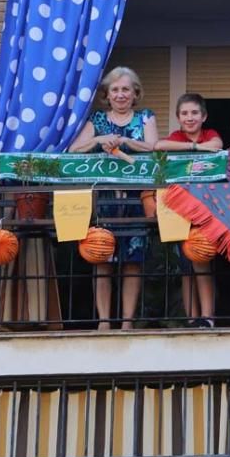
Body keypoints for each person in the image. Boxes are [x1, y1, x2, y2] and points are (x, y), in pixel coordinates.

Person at [69, 67, 158, 330]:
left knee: (133, 260)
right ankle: (105, 321)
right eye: (115, 90)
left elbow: (153, 146)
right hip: (106, 199)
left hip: (136, 197)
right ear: (107, 95)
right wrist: (100, 139)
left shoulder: (145, 117)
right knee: (102, 257)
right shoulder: (97, 119)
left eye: (126, 90)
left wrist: (127, 142)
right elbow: (75, 149)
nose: (120, 95)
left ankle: (127, 322)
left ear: (135, 93)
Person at [155, 93, 223, 328]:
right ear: (178, 117)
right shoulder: (177, 136)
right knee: (185, 266)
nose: (190, 117)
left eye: (194, 113)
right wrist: (194, 146)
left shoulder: (210, 134)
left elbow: (216, 146)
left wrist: (198, 145)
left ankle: (208, 317)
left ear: (204, 116)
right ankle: (192, 318)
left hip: (204, 208)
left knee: (201, 261)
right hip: (180, 208)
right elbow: (159, 145)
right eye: (184, 113)